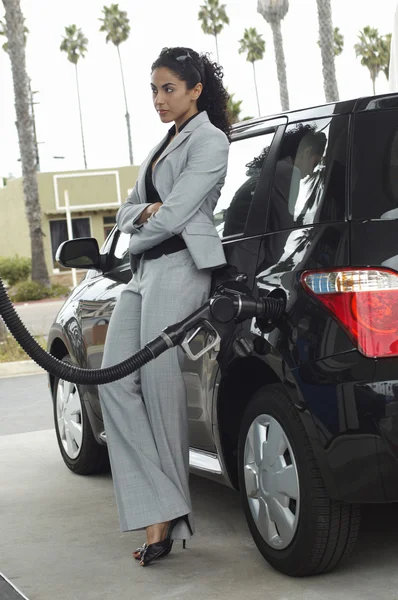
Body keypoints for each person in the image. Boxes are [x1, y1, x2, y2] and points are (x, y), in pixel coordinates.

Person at [98, 46, 231, 568]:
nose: (159, 98)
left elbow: (174, 215)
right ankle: (164, 503)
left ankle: (162, 523)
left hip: (180, 268)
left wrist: (142, 218)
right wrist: (140, 215)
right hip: (143, 270)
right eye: (153, 89)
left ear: (195, 90)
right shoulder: (163, 144)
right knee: (111, 379)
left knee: (158, 388)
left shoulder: (211, 141)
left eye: (168, 88)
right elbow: (125, 209)